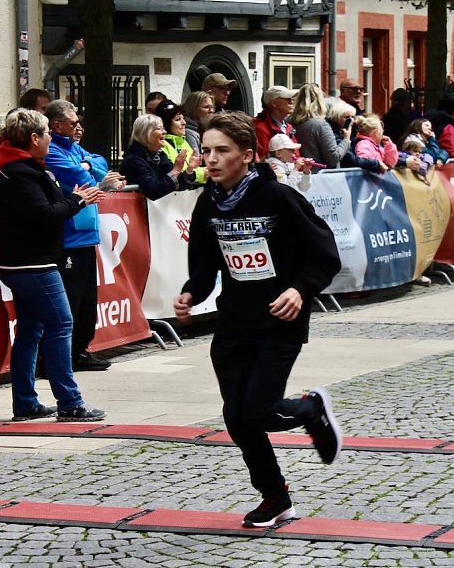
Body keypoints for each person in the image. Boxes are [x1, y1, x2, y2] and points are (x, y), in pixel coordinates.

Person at [173, 111, 342, 528]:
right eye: (207, 150)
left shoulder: (279, 198)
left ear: (247, 155)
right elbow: (205, 265)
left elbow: (325, 254)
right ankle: (275, 497)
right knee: (237, 417)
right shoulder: (207, 203)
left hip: (279, 319)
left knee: (257, 412)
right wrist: (191, 292)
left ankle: (309, 408)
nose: (210, 159)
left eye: (222, 151)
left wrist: (299, 290)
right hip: (234, 321)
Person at [0, 108, 107, 422]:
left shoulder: (21, 167)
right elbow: (45, 214)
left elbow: (50, 205)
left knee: (32, 329)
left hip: (25, 260)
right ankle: (70, 402)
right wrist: (78, 200)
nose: (49, 139)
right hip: (31, 262)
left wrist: (74, 198)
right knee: (60, 324)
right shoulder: (20, 172)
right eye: (45, 134)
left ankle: (26, 402)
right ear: (33, 138)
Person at [44, 100, 126, 372]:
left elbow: (102, 165)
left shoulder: (73, 148)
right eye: (72, 123)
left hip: (87, 233)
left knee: (88, 300)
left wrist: (89, 166)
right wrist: (89, 168)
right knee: (71, 298)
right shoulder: (53, 149)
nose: (78, 127)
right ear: (57, 125)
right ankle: (61, 356)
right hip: (68, 235)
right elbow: (81, 175)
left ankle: (79, 350)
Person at [119, 114, 200, 200]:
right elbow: (153, 191)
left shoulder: (160, 155)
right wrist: (175, 170)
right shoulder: (134, 160)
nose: (164, 132)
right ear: (146, 133)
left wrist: (189, 171)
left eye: (163, 128)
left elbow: (178, 185)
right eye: (159, 129)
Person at [291, 83, 351, 170]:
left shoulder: (289, 122)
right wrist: (346, 139)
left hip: (297, 174)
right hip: (320, 177)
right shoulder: (321, 125)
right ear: (320, 101)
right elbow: (333, 158)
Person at [155, 99, 207, 183]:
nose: (184, 122)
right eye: (178, 119)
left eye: (183, 118)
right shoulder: (161, 145)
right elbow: (176, 175)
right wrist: (203, 174)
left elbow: (194, 169)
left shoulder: (183, 141)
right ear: (166, 124)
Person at [326, 100, 382, 172]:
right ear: (337, 117)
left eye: (353, 117)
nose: (351, 120)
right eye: (347, 117)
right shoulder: (333, 134)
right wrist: (376, 164)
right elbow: (350, 160)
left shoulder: (354, 130)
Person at [254, 85, 299, 161]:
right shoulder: (260, 128)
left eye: (291, 98)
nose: (291, 101)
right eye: (287, 98)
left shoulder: (289, 128)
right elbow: (265, 160)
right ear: (274, 103)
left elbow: (296, 156)